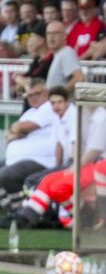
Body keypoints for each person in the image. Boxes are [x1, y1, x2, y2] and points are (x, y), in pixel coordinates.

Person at [0, 80, 58, 213]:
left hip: (42, 160)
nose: (33, 98)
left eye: (37, 93)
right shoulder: (30, 112)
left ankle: (19, 210)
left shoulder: (49, 107)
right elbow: (9, 135)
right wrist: (16, 131)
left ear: (46, 92)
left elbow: (22, 127)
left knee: (4, 176)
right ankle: (14, 207)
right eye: (29, 95)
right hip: (20, 159)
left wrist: (17, 129)